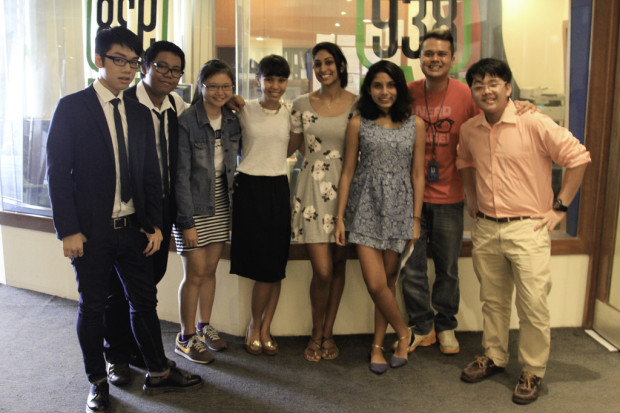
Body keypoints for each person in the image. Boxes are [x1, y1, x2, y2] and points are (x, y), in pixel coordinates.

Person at [46, 26, 201, 413]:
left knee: (145, 303)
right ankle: (98, 381)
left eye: (133, 62)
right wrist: (69, 231)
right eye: (119, 60)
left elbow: (149, 173)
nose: (128, 69)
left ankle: (158, 371)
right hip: (92, 233)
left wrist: (153, 224)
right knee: (94, 307)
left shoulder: (136, 109)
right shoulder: (72, 107)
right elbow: (57, 173)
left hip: (134, 228)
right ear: (98, 60)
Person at [457, 58, 590, 404]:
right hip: (486, 228)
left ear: (508, 88)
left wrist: (559, 207)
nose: (486, 90)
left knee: (533, 305)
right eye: (479, 85)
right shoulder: (470, 129)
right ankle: (495, 357)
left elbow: (578, 157)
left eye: (493, 83)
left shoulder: (533, 122)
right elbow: (465, 162)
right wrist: (472, 198)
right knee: (493, 301)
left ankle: (532, 370)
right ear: (473, 91)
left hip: (528, 228)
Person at [399, 27, 537, 355]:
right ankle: (423, 327)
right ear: (421, 57)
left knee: (448, 267)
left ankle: (446, 326)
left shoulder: (466, 94)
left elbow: (494, 115)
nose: (434, 59)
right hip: (411, 196)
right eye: (429, 53)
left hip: (451, 195)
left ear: (452, 58)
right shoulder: (407, 93)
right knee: (412, 266)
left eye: (441, 54)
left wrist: (522, 106)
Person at [103, 40, 187, 386]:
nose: (169, 75)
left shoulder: (176, 104)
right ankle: (117, 357)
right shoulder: (125, 103)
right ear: (145, 67)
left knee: (147, 281)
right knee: (117, 286)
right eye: (161, 67)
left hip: (162, 205)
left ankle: (139, 347)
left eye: (176, 69)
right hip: (130, 208)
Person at [335, 60, 426, 375]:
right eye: (377, 85)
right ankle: (404, 331)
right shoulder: (358, 123)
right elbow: (347, 171)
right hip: (364, 207)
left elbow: (418, 173)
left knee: (388, 282)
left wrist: (415, 218)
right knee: (375, 284)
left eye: (390, 85)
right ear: (369, 89)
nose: (384, 92)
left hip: (399, 209)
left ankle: (378, 345)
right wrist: (339, 218)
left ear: (399, 88)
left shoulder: (415, 124)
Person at [288, 42, 357, 362]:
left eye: (329, 62)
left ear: (341, 65)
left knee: (340, 264)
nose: (323, 68)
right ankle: (315, 333)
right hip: (313, 193)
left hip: (348, 190)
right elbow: (292, 146)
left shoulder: (359, 105)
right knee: (324, 270)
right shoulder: (301, 103)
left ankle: (328, 333)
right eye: (317, 63)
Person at [173, 59, 241, 364]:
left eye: (225, 86)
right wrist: (185, 222)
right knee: (195, 273)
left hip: (222, 203)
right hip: (193, 206)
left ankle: (204, 326)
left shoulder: (232, 120)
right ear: (201, 86)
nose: (219, 91)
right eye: (212, 85)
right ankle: (185, 337)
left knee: (211, 271)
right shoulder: (187, 121)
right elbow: (180, 176)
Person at [230, 55, 292, 356]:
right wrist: (231, 97)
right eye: (269, 79)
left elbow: (291, 146)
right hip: (249, 186)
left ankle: (265, 328)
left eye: (281, 80)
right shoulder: (244, 110)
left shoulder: (290, 113)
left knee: (276, 266)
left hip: (278, 185)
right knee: (261, 266)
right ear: (258, 80)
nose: (275, 86)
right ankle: (255, 326)